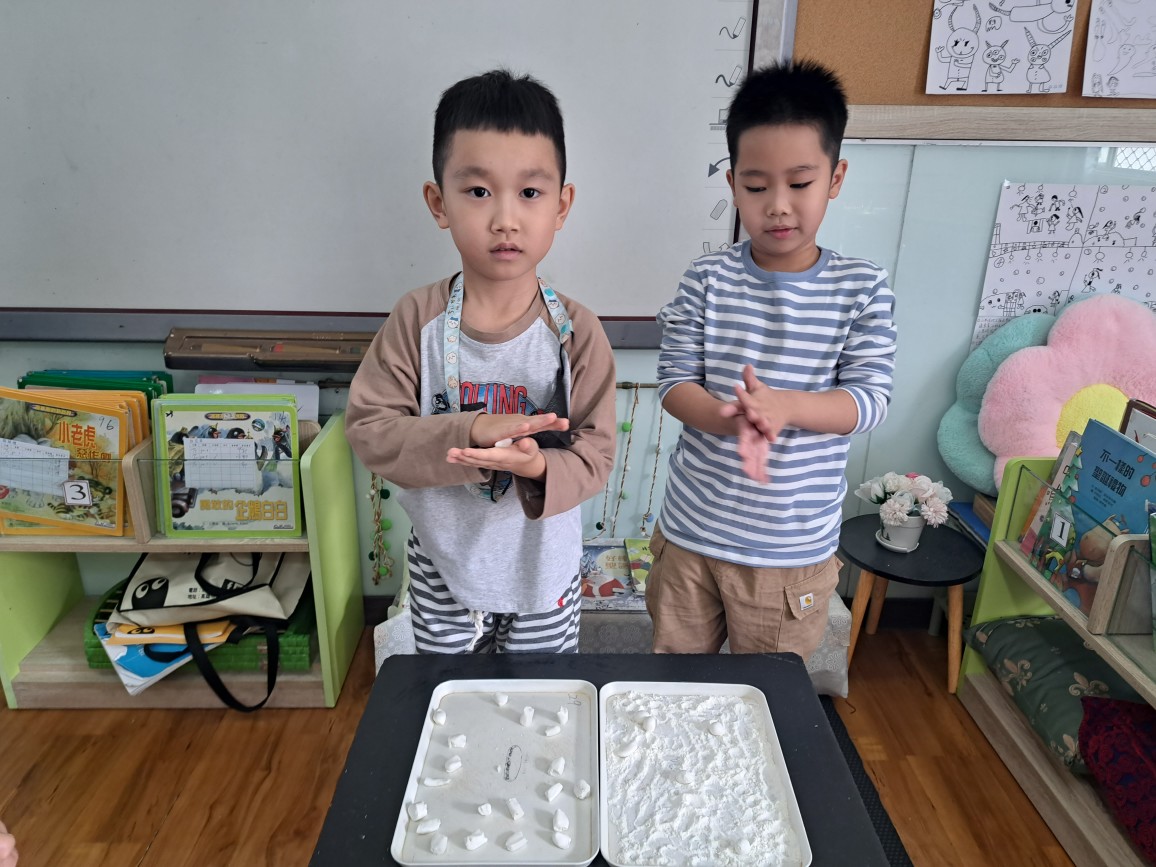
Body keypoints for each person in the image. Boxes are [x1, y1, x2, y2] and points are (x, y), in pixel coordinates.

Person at [346, 69, 616, 654]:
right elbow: (369, 431)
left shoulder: (576, 332)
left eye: (530, 193)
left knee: (540, 697)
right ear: (438, 202)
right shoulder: (415, 320)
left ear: (562, 205)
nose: (505, 219)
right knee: (448, 695)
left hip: (544, 571)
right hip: (442, 567)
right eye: (478, 192)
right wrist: (470, 429)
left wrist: (538, 466)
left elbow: (596, 456)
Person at [647, 60, 897, 661]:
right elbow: (673, 381)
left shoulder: (861, 287)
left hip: (790, 554)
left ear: (835, 178)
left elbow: (869, 401)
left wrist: (785, 407)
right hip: (692, 536)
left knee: (766, 693)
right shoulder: (707, 278)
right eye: (757, 188)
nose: (778, 206)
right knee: (673, 686)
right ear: (733, 183)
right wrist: (728, 417)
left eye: (800, 183)